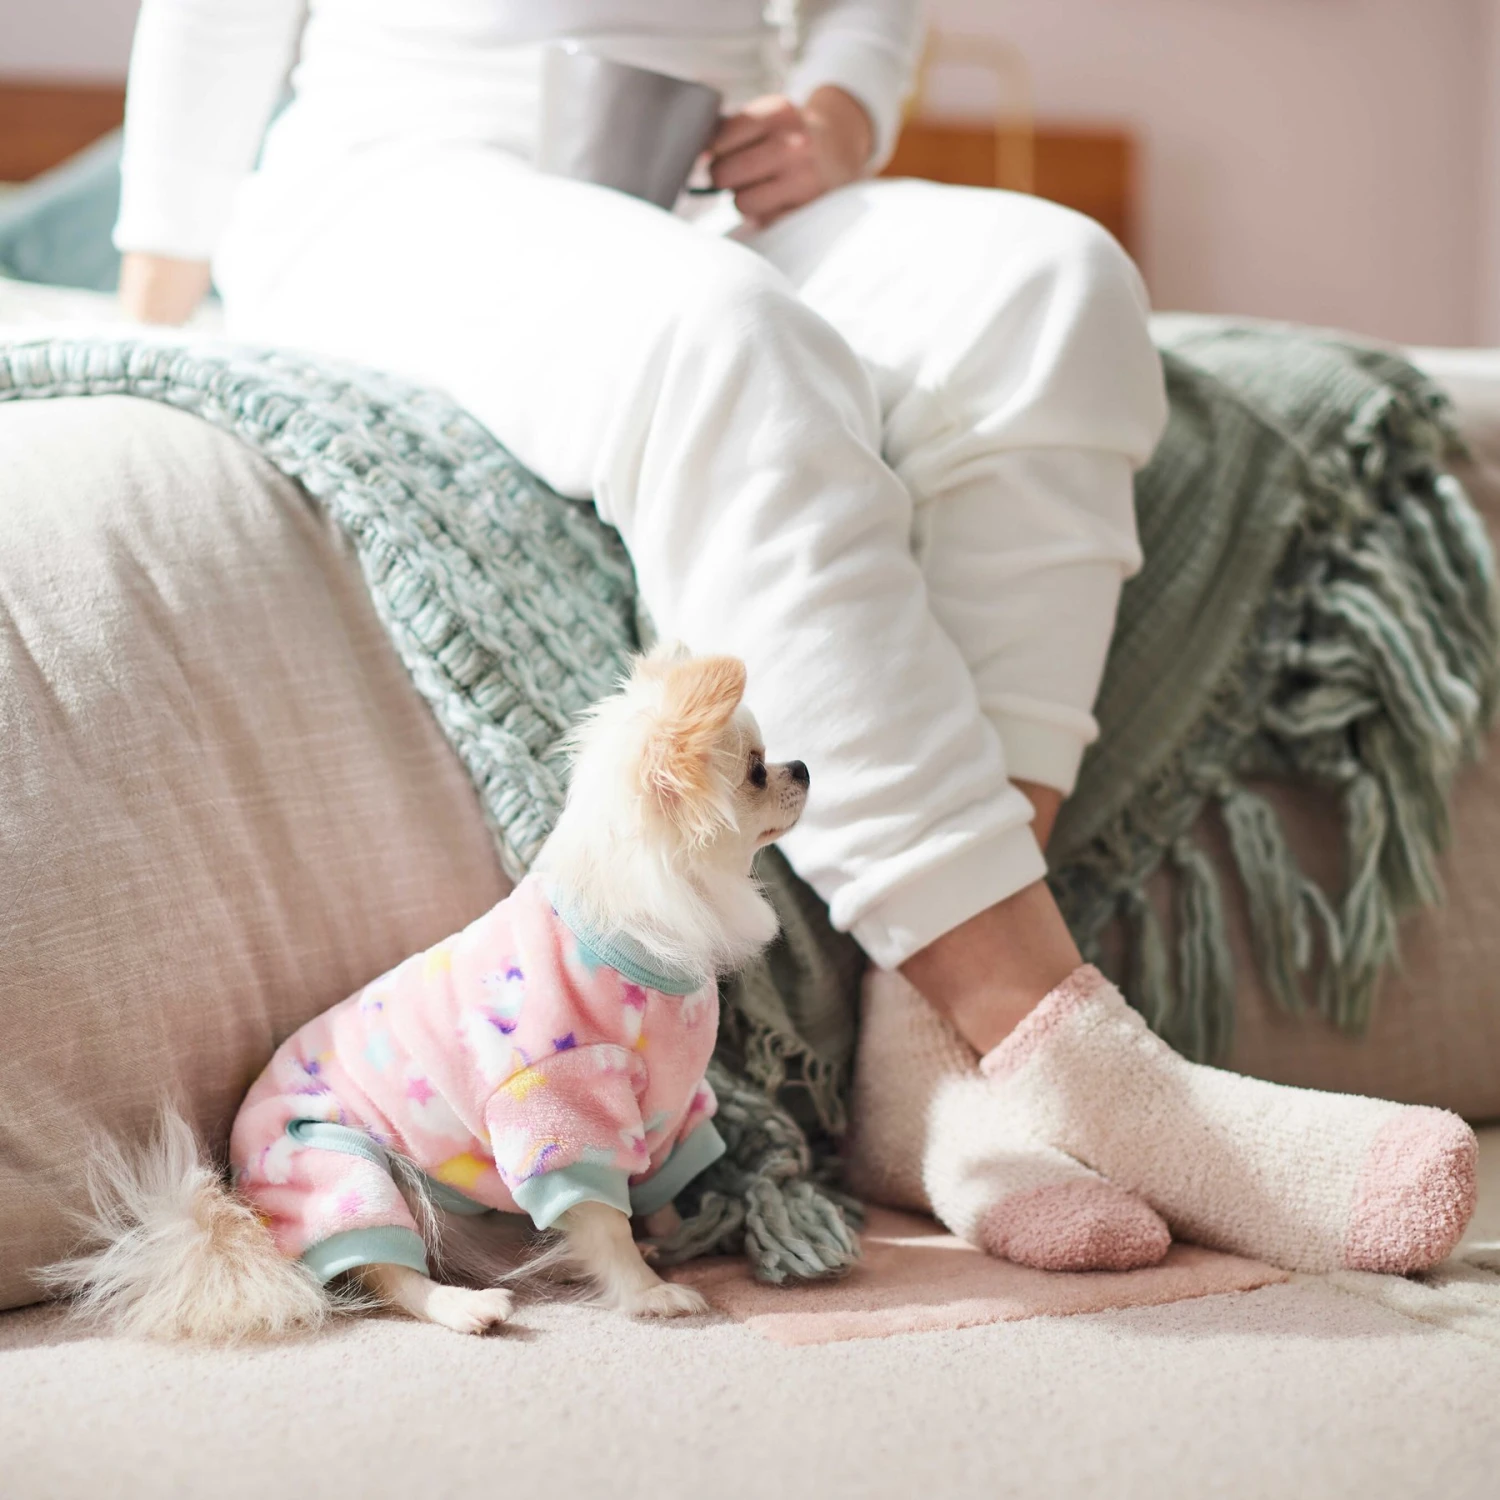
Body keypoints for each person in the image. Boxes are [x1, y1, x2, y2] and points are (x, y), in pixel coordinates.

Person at [115, 0, 1476, 1273]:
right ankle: (1067, 1053)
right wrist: (150, 315)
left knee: (1053, 285)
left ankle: (928, 1063)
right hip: (395, 194)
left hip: (705, 194)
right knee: (728, 340)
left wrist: (838, 109)